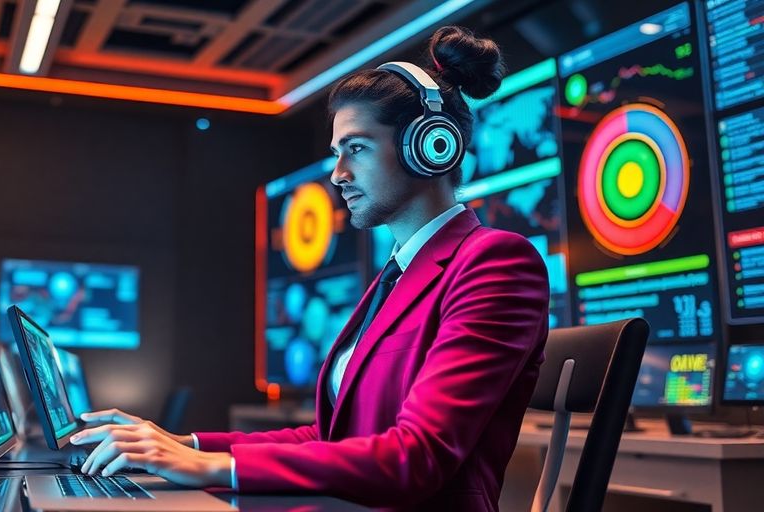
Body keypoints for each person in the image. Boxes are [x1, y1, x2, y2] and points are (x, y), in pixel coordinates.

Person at [68, 26, 549, 511]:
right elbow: (326, 436)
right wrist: (184, 445)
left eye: (356, 149)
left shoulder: (495, 262)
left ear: (429, 147)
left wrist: (215, 468)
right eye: (337, 154)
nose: (339, 174)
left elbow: (416, 457)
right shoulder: (397, 277)